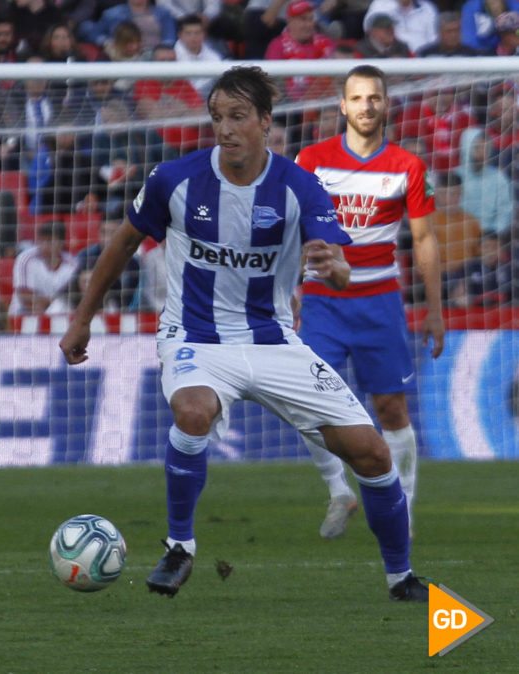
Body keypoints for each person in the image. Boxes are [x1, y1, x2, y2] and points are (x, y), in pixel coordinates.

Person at [60, 65, 428, 603]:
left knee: (372, 454)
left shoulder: (300, 186)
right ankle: (179, 547)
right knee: (191, 412)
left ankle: (402, 578)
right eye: (217, 117)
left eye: (237, 117)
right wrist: (82, 317)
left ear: (264, 121)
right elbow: (121, 245)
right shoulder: (175, 179)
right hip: (196, 336)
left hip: (273, 341)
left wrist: (333, 267)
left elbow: (342, 266)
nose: (225, 129)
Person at [295, 65, 445, 540]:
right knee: (308, 403)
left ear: (386, 104)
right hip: (321, 300)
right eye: (357, 98)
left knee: (392, 410)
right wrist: (288, 293)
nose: (366, 106)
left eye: (374, 98)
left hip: (380, 301)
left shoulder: (407, 165)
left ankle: (403, 507)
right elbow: (290, 230)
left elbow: (423, 239)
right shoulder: (312, 160)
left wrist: (436, 310)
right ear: (342, 106)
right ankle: (340, 490)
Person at [9, 220, 78, 316]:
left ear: (61, 243)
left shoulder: (72, 264)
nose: (44, 246)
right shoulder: (26, 259)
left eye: (50, 242)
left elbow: (74, 299)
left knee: (62, 308)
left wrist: (49, 303)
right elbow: (25, 298)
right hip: (24, 312)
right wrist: (53, 301)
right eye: (41, 241)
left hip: (60, 314)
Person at [362, 0, 439, 55]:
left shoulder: (427, 7)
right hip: (395, 54)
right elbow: (370, 30)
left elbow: (433, 38)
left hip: (424, 58)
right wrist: (396, 5)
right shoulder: (380, 4)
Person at [418, 11, 484, 57]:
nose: (454, 35)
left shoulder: (472, 54)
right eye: (449, 31)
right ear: (439, 33)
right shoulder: (426, 54)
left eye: (456, 30)